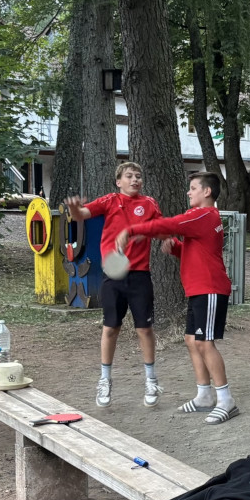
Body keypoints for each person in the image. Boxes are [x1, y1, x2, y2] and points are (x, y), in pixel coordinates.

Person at [115, 171, 239, 425]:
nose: (188, 192)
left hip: (210, 288)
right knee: (192, 340)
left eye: (193, 188)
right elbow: (198, 252)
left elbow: (168, 225)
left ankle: (226, 400)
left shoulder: (203, 214)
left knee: (204, 343)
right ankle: (204, 395)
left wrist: (131, 229)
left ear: (207, 192)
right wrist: (176, 248)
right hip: (198, 289)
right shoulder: (204, 219)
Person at [65, 162, 163, 409]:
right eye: (129, 176)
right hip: (113, 277)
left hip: (140, 276)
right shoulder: (110, 201)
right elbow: (81, 214)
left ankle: (151, 380)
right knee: (110, 329)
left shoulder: (149, 204)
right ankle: (105, 380)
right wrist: (75, 209)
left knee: (144, 329)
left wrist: (144, 233)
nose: (135, 180)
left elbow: (162, 230)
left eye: (138, 176)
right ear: (119, 182)